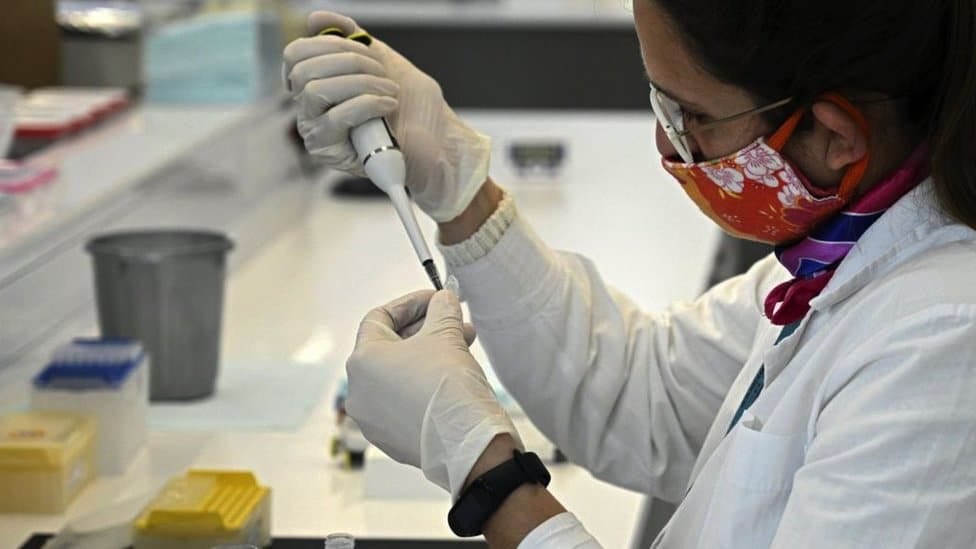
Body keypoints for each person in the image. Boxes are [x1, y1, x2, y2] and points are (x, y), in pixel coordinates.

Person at [282, 0, 976, 546]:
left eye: (693, 115)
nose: (668, 143)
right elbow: (644, 393)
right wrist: (459, 187)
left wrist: (487, 476)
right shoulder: (843, 257)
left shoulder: (943, 343)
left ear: (836, 137)